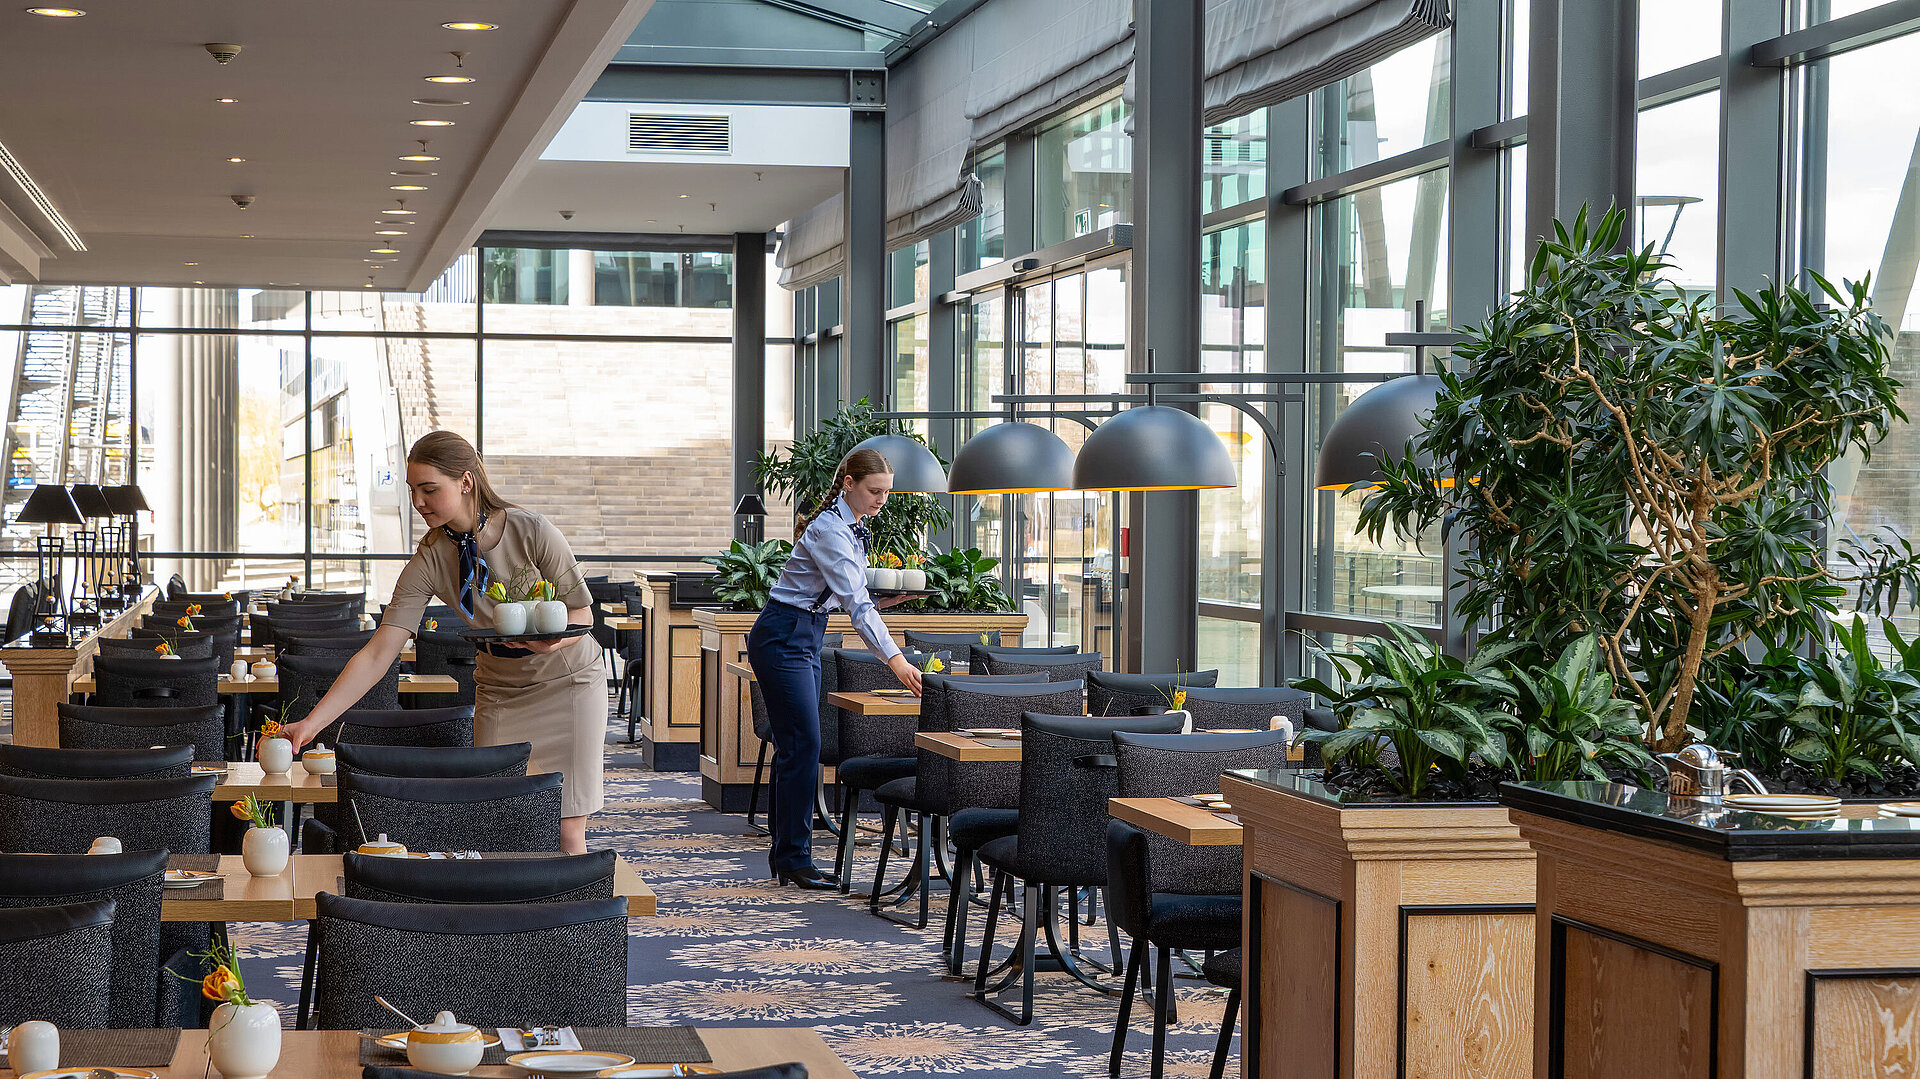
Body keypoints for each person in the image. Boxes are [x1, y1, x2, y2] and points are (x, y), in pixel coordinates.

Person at [280, 431, 605, 854]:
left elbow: (582, 613)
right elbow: (380, 652)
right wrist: (311, 724)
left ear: (466, 482)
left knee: (565, 831)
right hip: (501, 691)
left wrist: (550, 643)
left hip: (569, 685)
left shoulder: (533, 531)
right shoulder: (431, 556)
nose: (419, 502)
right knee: (500, 826)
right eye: (413, 491)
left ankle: (573, 922)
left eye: (429, 489)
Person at [749, 447, 922, 889]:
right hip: (783, 636)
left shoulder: (852, 527)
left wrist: (887, 601)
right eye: (874, 491)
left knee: (798, 745)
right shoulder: (829, 530)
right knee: (803, 744)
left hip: (806, 634)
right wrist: (896, 661)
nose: (881, 500)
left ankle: (787, 854)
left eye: (887, 492)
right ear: (849, 484)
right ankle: (793, 856)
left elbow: (843, 596)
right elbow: (856, 606)